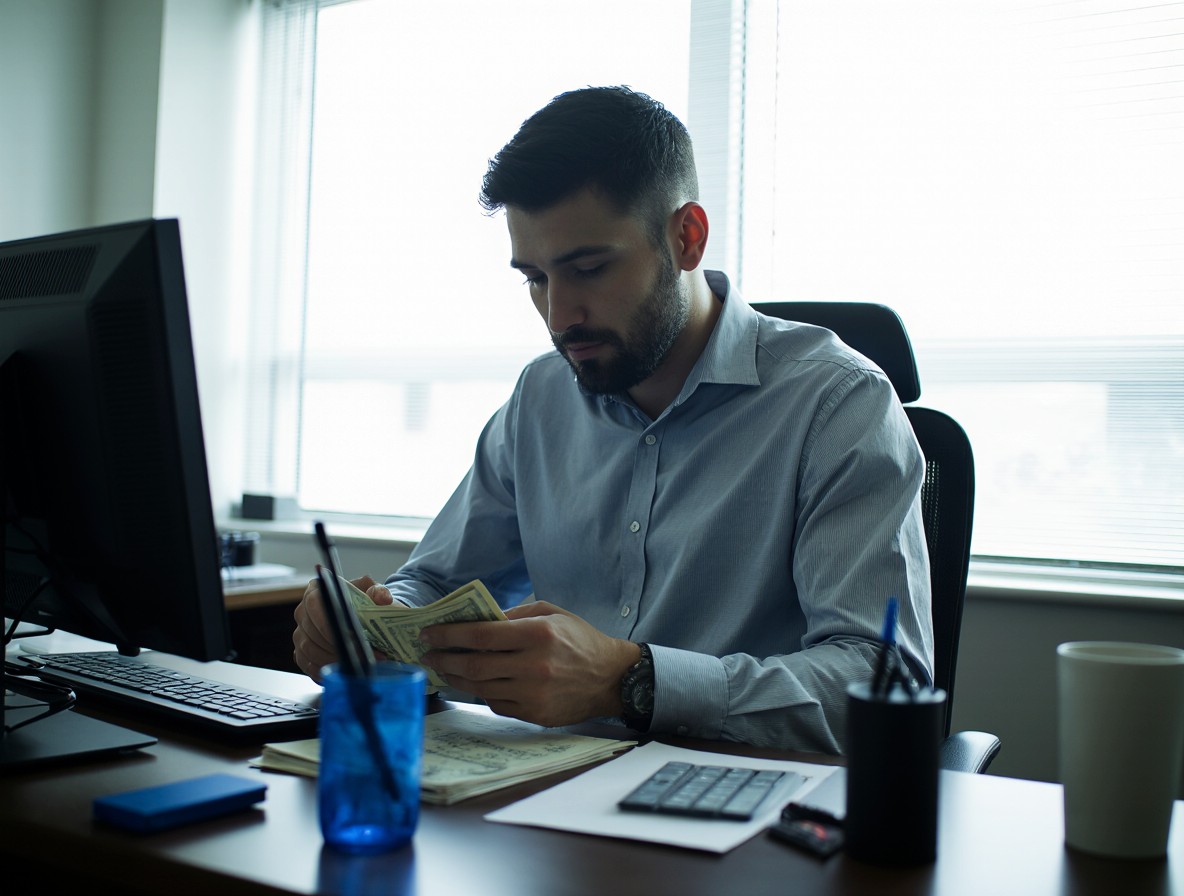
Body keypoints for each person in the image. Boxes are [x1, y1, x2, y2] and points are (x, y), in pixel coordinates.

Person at [292, 86, 933, 754]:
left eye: (589, 268)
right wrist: (368, 620)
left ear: (686, 238)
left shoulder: (835, 404)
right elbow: (436, 584)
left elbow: (881, 679)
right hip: (550, 797)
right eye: (534, 278)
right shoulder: (540, 399)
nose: (559, 314)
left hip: (753, 816)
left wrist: (633, 682)